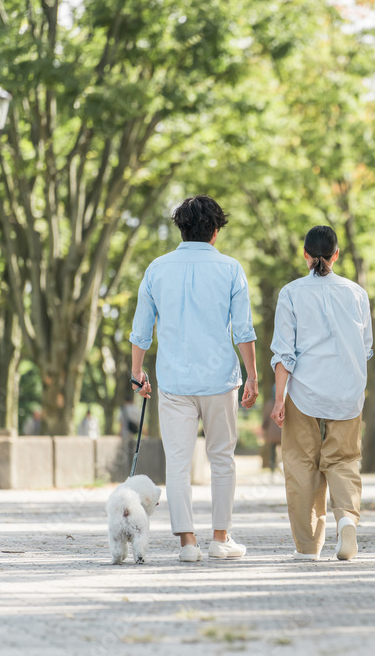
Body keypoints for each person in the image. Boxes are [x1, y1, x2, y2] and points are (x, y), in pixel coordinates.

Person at [129, 195, 259, 563]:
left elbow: (141, 329)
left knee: (178, 462)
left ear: (181, 228)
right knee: (223, 459)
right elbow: (243, 331)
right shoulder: (231, 269)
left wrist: (138, 372)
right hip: (220, 380)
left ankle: (187, 543)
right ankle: (221, 538)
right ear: (215, 231)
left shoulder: (157, 268)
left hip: (174, 382)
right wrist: (252, 377)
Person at [270, 225, 373, 561]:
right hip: (348, 392)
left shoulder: (291, 293)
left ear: (305, 254)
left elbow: (285, 353)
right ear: (336, 254)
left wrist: (278, 398)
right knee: (344, 461)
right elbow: (366, 347)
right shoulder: (356, 293)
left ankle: (308, 548)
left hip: (304, 393)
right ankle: (346, 520)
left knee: (301, 465)